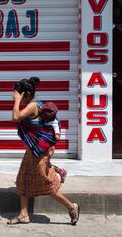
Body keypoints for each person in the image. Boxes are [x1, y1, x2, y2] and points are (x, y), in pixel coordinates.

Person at [8, 77, 80, 225]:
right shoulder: (33, 104)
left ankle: (72, 207)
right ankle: (23, 215)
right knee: (22, 181)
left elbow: (15, 117)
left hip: (39, 154)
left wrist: (16, 101)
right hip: (31, 152)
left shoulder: (33, 106)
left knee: (47, 186)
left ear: (25, 94)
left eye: (18, 94)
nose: (14, 96)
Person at [40, 102, 67, 183]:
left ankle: (49, 179)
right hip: (43, 145)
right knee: (46, 163)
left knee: (44, 163)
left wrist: (57, 136)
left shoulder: (54, 122)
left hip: (49, 147)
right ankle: (61, 171)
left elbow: (57, 132)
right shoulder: (43, 119)